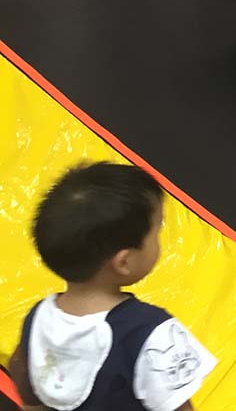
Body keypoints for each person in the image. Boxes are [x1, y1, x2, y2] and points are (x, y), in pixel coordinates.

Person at [8, 162, 217, 410]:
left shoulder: (38, 317)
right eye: (156, 231)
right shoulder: (151, 333)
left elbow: (25, 384)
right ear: (124, 262)